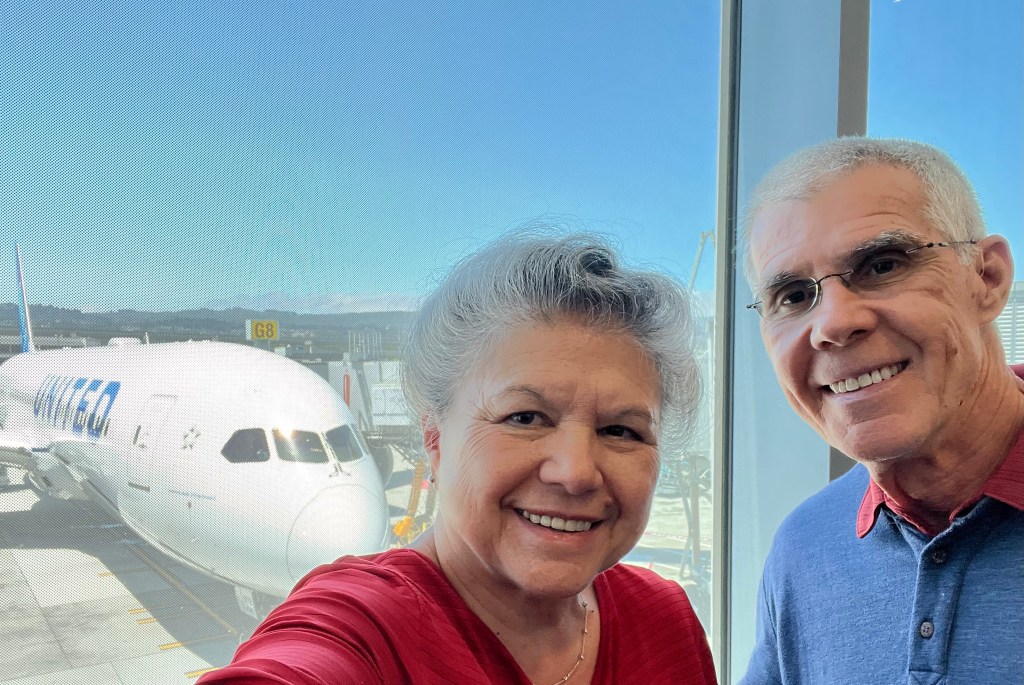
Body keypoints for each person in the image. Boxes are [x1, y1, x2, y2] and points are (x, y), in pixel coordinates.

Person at [199, 233, 718, 684]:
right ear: (434, 436)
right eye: (525, 418)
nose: (577, 472)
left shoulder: (663, 618)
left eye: (621, 430)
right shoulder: (365, 626)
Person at [738, 137, 1023, 684]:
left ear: (987, 278)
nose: (833, 323)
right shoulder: (804, 546)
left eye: (882, 265)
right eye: (793, 296)